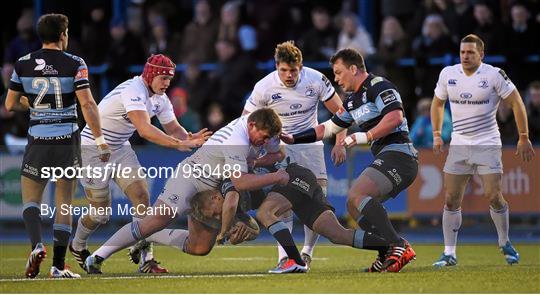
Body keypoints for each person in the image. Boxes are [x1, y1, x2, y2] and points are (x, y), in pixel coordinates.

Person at [83, 108, 290, 273]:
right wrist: (275, 177)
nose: (264, 142)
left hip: (214, 187)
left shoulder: (263, 133)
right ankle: (98, 257)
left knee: (199, 248)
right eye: (262, 137)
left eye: (267, 139)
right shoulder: (237, 138)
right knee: (156, 220)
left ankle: (149, 237)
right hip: (192, 177)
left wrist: (257, 159)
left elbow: (278, 153)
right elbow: (241, 182)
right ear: (251, 125)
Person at [69, 53, 210, 274]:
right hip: (93, 148)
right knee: (100, 214)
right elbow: (144, 130)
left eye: (170, 79)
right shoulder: (133, 90)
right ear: (151, 74)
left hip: (120, 148)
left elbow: (173, 129)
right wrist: (176, 144)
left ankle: (146, 258)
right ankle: (77, 245)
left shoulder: (160, 99)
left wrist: (189, 139)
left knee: (142, 197)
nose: (167, 83)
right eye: (163, 78)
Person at [281, 48, 418, 273]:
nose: (336, 79)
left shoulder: (379, 86)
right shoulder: (353, 100)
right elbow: (329, 128)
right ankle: (386, 252)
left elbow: (395, 117)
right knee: (353, 208)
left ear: (353, 69)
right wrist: (294, 138)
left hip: (401, 155)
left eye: (338, 72)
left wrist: (366, 136)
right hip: (388, 156)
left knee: (357, 195)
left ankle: (398, 245)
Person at [5, 13, 111, 279]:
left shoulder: (22, 64)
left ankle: (36, 245)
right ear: (63, 35)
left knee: (31, 199)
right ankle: (58, 265)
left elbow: (9, 105)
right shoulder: (74, 63)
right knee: (64, 202)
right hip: (66, 140)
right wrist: (99, 139)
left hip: (38, 139)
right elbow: (87, 103)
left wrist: (29, 105)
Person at [430, 34, 535, 267]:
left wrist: (524, 136)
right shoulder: (448, 74)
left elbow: (516, 102)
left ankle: (504, 241)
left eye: (470, 52)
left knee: (493, 195)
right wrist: (437, 134)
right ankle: (449, 253)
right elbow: (437, 103)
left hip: (487, 143)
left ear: (481, 54)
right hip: (458, 144)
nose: (465, 56)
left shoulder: (494, 75)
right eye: (462, 52)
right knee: (450, 199)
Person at [242, 40, 347, 272]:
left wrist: (340, 142)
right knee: (283, 204)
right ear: (276, 66)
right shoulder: (264, 86)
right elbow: (246, 121)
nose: (289, 75)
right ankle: (284, 257)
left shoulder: (317, 80)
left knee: (317, 201)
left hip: (311, 146)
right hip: (279, 148)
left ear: (301, 67)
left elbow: (341, 113)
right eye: (284, 70)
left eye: (293, 70)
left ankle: (307, 253)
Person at [199, 161, 407, 274]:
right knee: (337, 234)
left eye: (214, 211)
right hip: (299, 183)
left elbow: (234, 203)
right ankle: (393, 246)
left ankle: (295, 261)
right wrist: (242, 236)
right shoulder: (230, 207)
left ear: (214, 196)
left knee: (265, 211)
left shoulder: (226, 185)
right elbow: (254, 228)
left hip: (293, 177)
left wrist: (223, 234)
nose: (218, 215)